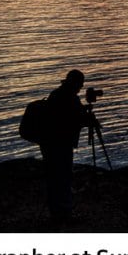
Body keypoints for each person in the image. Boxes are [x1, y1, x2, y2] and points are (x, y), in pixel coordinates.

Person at [39, 69, 94, 224]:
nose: (80, 87)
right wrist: (87, 116)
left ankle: (56, 212)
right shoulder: (68, 97)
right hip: (59, 143)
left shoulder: (57, 94)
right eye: (80, 84)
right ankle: (63, 214)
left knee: (54, 177)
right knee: (62, 176)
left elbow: (68, 116)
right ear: (75, 83)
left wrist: (82, 111)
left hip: (49, 142)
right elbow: (75, 119)